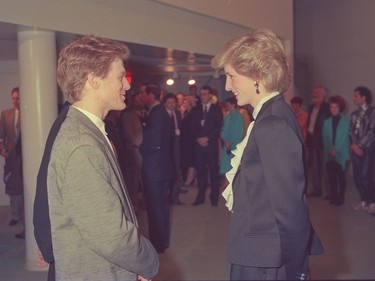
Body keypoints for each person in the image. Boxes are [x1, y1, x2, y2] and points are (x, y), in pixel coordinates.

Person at [33, 35, 159, 281]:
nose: (127, 85)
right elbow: (111, 236)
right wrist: (148, 261)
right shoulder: (82, 145)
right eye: (120, 77)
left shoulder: (87, 130)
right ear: (93, 80)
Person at [211, 28, 324, 280]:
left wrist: (297, 270)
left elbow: (290, 206)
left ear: (257, 76)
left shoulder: (272, 123)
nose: (228, 86)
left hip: (266, 259)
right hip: (261, 251)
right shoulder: (269, 115)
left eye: (231, 76)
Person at [139, 82, 172, 253]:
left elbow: (156, 143)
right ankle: (162, 241)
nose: (141, 97)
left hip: (155, 168)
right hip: (160, 167)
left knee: (156, 207)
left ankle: (158, 244)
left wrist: (141, 148)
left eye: (143, 93)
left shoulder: (157, 113)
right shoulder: (158, 112)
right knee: (160, 206)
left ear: (151, 95)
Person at [190, 85, 223, 206]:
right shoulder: (196, 109)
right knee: (200, 172)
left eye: (205, 94)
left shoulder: (216, 109)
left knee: (213, 172)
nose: (203, 96)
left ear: (210, 95)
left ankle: (214, 198)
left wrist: (207, 138)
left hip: (211, 145)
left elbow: (218, 127)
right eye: (201, 94)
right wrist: (199, 138)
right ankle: (200, 197)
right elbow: (192, 126)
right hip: (199, 146)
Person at [349, 86, 375, 214]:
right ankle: (364, 201)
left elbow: (372, 132)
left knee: (366, 176)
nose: (354, 98)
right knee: (357, 176)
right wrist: (354, 145)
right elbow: (351, 131)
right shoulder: (354, 114)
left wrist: (360, 145)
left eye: (356, 96)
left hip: (367, 150)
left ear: (364, 97)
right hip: (355, 150)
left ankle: (372, 202)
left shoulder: (373, 112)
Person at [0, 87, 23, 228]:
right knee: (12, 186)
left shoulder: (29, 113)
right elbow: (1, 135)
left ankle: (25, 214)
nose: (15, 101)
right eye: (13, 98)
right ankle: (15, 215)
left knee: (24, 186)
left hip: (25, 156)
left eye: (18, 98)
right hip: (11, 156)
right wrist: (2, 148)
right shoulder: (5, 114)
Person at [322, 95, 350, 206]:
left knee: (341, 177)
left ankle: (340, 197)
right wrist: (330, 149)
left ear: (340, 107)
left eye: (336, 107)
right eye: (331, 107)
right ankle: (333, 196)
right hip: (329, 153)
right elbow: (325, 138)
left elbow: (345, 140)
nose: (333, 109)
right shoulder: (326, 122)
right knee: (331, 177)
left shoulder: (346, 122)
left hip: (341, 154)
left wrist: (336, 150)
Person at [120, 92, 145, 210]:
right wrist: (137, 145)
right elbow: (128, 134)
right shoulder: (128, 116)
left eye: (141, 100)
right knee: (135, 176)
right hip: (134, 150)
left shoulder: (148, 113)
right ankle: (133, 202)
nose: (139, 103)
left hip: (148, 151)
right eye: (137, 101)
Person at [306, 84, 330, 198]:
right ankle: (317, 190)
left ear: (322, 95)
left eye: (316, 92)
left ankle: (329, 192)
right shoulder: (311, 107)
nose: (313, 94)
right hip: (312, 140)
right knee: (315, 167)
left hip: (323, 141)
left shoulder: (328, 107)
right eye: (313, 92)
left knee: (325, 168)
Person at [163, 92, 185, 205]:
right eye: (169, 102)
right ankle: (166, 198)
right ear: (165, 103)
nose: (171, 104)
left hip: (176, 147)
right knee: (167, 173)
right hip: (165, 149)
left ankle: (175, 198)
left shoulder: (177, 113)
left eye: (173, 102)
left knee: (176, 172)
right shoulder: (162, 114)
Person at [219, 96, 244, 188]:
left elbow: (238, 132)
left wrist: (230, 142)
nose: (227, 107)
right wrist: (225, 140)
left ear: (233, 105)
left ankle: (229, 183)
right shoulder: (228, 117)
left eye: (228, 105)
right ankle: (227, 182)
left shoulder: (238, 117)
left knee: (233, 164)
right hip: (227, 144)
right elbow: (224, 129)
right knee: (227, 164)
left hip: (234, 145)